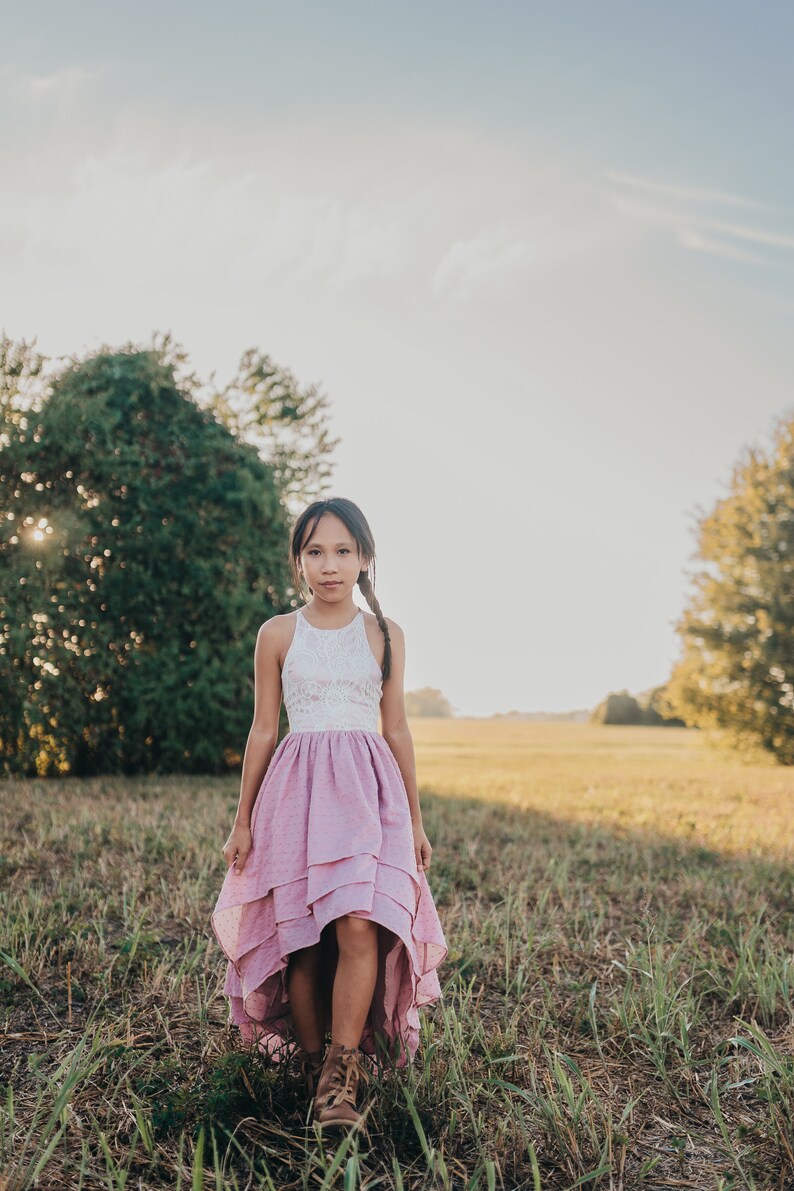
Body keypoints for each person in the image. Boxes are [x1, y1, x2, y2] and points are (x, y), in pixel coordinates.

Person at [211, 496, 448, 1133]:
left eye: (344, 550)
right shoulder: (278, 634)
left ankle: (341, 1080)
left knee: (360, 928)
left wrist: (417, 821)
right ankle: (314, 1070)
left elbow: (396, 729)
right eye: (315, 551)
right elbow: (263, 731)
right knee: (304, 946)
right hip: (296, 793)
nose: (330, 564)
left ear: (365, 558)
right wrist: (243, 820)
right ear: (298, 561)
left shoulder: (385, 635)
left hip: (369, 796)